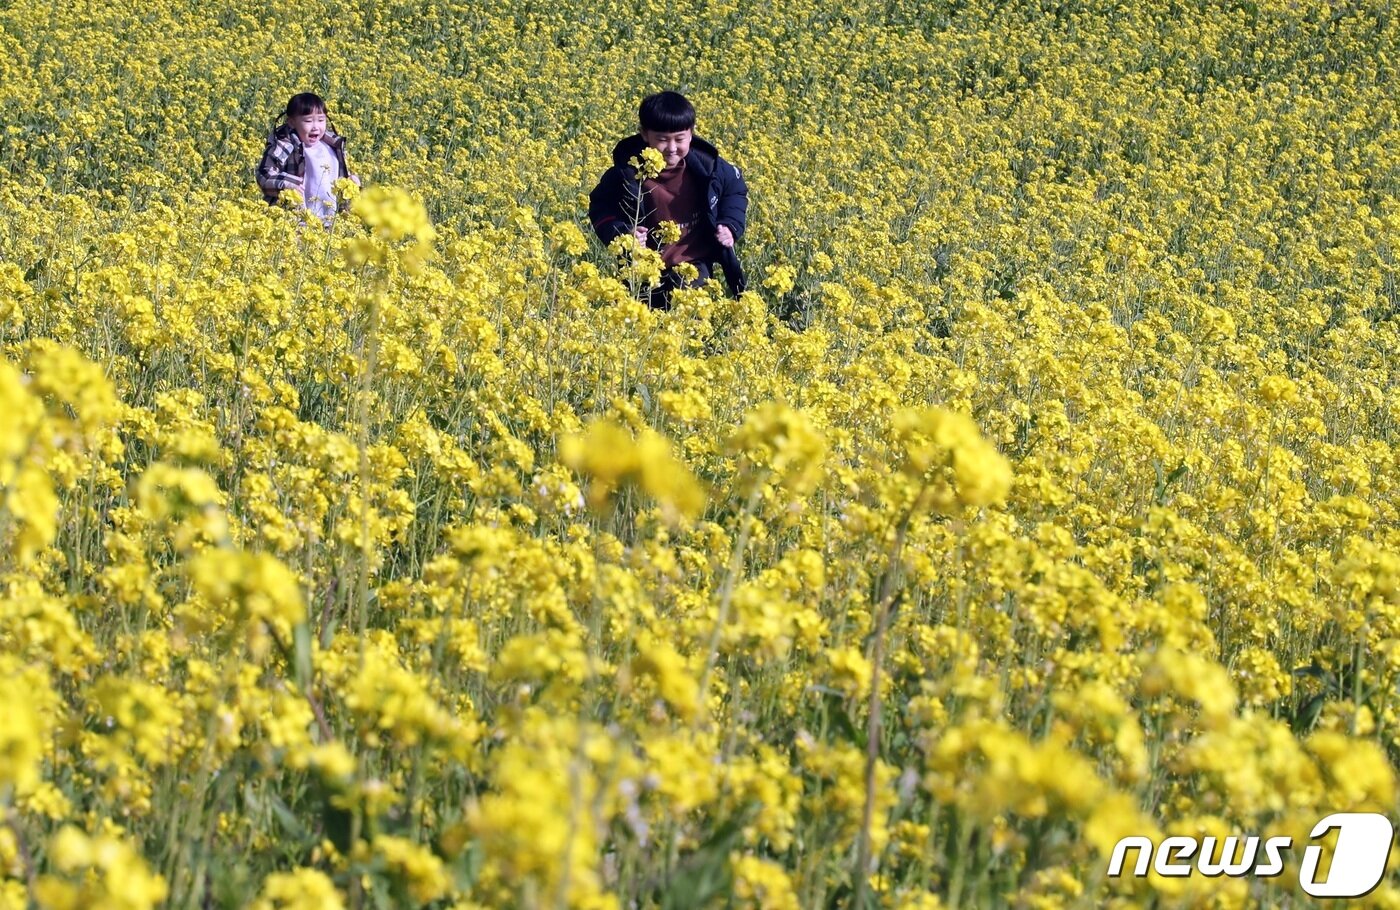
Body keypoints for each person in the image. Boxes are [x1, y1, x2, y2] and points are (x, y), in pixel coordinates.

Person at [588, 91, 748, 308]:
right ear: (644, 134)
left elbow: (735, 190)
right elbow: (600, 206)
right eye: (662, 140)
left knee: (687, 318)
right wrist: (622, 232)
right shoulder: (627, 173)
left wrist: (730, 224)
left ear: (691, 134)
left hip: (693, 263)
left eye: (679, 139)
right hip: (642, 267)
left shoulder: (710, 168)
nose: (671, 148)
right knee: (641, 324)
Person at [256, 92, 360, 223]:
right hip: (293, 221)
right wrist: (287, 184)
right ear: (292, 122)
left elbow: (338, 176)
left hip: (330, 221)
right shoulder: (285, 146)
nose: (316, 127)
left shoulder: (332, 146)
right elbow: (263, 175)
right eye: (308, 121)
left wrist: (351, 181)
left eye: (321, 120)